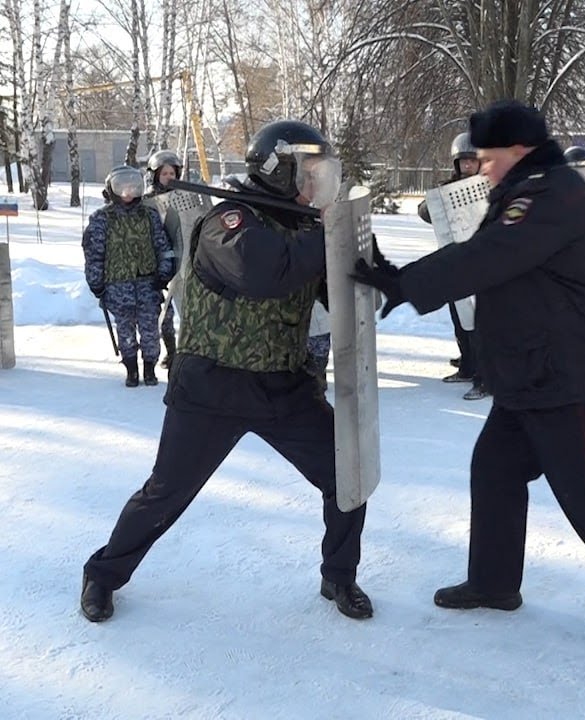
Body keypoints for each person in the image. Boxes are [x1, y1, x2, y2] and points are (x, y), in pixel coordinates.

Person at [351, 100, 585, 651]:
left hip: (572, 377)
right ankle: (495, 582)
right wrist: (404, 281)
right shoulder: (527, 189)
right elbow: (484, 251)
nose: (481, 167)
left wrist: (403, 284)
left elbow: (489, 257)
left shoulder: (549, 196)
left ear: (518, 150)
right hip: (535, 374)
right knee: (495, 470)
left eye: (488, 156)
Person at [80, 120, 380, 624]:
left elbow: (348, 298)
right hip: (211, 386)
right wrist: (333, 235)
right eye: (309, 174)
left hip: (282, 385)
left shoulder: (307, 229)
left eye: (322, 175)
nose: (317, 186)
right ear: (278, 172)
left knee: (346, 474)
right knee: (165, 493)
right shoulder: (228, 223)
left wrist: (366, 267)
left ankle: (339, 575)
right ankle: (103, 575)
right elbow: (266, 272)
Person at [82, 165, 175, 387]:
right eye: (122, 187)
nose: (128, 192)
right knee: (124, 329)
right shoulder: (102, 219)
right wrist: (96, 283)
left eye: (133, 187)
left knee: (150, 329)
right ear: (112, 189)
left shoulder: (149, 215)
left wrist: (164, 273)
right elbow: (94, 253)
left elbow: (162, 246)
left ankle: (150, 368)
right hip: (117, 285)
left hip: (148, 284)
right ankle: (131, 368)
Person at [418, 131, 487, 401]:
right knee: (460, 319)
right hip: (455, 263)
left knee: (481, 322)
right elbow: (426, 210)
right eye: (463, 162)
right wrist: (434, 203)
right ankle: (468, 364)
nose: (468, 167)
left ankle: (485, 377)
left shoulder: (490, 187)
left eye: (472, 161)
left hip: (483, 265)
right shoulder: (449, 188)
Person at [144, 149, 184, 369]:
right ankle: (171, 351)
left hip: (180, 261)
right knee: (163, 314)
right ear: (155, 175)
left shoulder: (185, 199)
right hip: (153, 264)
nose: (169, 177)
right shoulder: (147, 202)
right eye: (165, 173)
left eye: (172, 173)